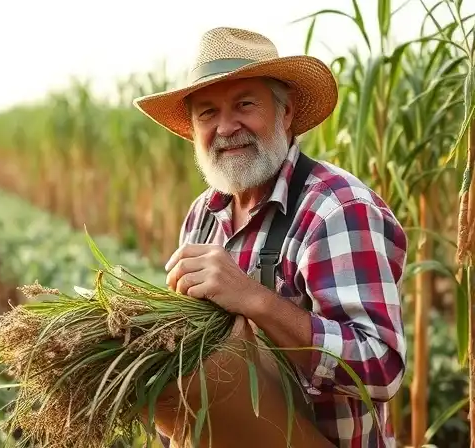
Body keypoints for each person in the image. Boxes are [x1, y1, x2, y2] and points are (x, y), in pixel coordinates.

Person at [132, 27, 408, 448]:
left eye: (245, 104)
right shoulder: (203, 215)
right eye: (207, 113)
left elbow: (381, 369)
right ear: (193, 130)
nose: (226, 127)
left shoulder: (337, 209)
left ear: (286, 113)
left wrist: (255, 300)